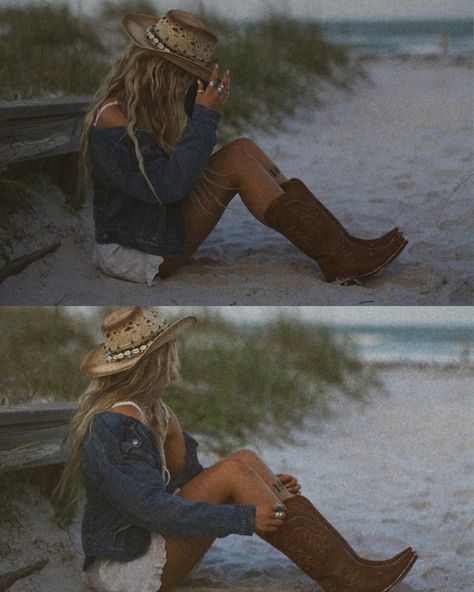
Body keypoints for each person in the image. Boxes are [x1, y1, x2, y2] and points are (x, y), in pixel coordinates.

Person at [55, 306, 417, 592]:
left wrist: (266, 486)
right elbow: (154, 510)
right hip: (126, 567)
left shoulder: (159, 415)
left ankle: (349, 568)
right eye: (171, 350)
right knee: (234, 471)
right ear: (160, 360)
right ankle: (346, 579)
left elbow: (193, 483)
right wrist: (245, 516)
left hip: (151, 544)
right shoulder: (115, 426)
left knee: (243, 460)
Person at [80, 9, 408, 287]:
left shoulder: (135, 107)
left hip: (149, 231)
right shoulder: (113, 118)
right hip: (134, 252)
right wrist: (205, 117)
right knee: (236, 159)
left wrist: (197, 110)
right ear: (162, 70)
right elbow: (168, 187)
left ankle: (343, 246)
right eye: (185, 76)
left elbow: (171, 176)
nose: (185, 85)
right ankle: (337, 256)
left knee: (243, 146)